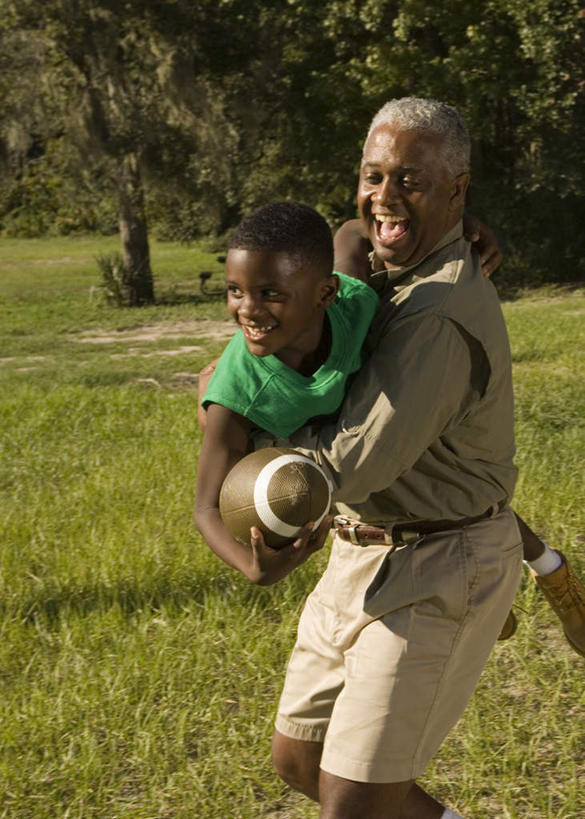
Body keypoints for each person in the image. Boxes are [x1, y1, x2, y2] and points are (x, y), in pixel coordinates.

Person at [251, 97, 526, 819]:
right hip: (361, 549)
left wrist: (245, 442)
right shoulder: (391, 267)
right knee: (299, 758)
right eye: (373, 175)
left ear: (458, 189)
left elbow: (352, 463)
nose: (384, 195)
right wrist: (371, 224)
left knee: (353, 801)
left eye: (410, 179)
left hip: (440, 562)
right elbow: (348, 233)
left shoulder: (437, 313)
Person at [333, 212, 585, 656]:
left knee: (458, 488)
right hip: (367, 391)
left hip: (400, 380)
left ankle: (542, 575)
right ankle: (526, 576)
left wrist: (451, 223)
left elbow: (358, 229)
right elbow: (354, 229)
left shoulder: (414, 292)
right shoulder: (336, 262)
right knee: (426, 485)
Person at [194, 201, 377, 584]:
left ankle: (531, 561)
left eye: (269, 293)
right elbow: (206, 508)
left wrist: (458, 224)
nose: (247, 309)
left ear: (325, 293)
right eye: (235, 291)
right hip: (268, 428)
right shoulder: (240, 392)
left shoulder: (354, 303)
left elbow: (353, 233)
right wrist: (252, 567)